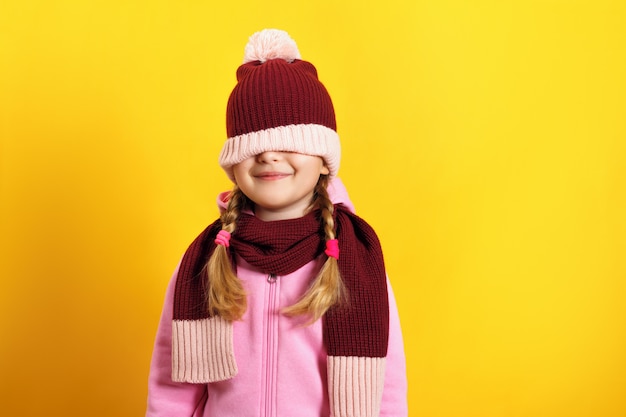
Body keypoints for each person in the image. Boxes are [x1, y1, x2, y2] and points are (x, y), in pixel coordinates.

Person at [146, 28, 407, 417]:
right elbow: (172, 388)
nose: (269, 155)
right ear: (235, 162)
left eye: (289, 142)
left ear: (323, 159)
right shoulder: (206, 261)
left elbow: (386, 388)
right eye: (253, 144)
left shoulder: (357, 261)